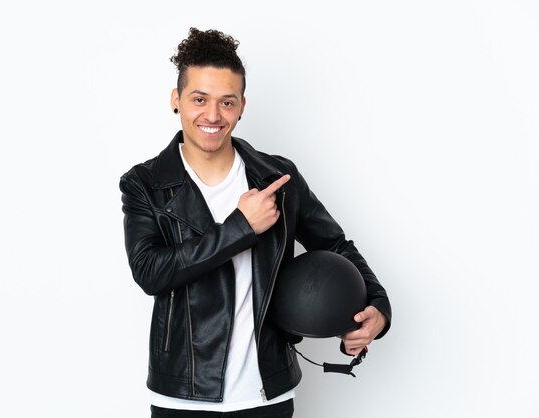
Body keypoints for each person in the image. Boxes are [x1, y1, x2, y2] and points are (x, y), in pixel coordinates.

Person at [119, 27, 392, 418]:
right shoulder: (145, 183)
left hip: (268, 395)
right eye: (200, 99)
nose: (213, 115)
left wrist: (378, 308)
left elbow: (335, 245)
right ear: (176, 100)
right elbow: (150, 272)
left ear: (242, 105)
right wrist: (240, 227)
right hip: (183, 398)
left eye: (227, 102)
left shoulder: (277, 177)